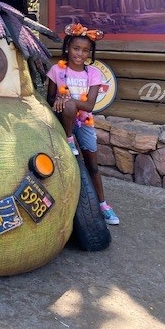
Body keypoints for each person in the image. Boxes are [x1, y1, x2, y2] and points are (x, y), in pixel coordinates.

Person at [46, 22, 119, 225]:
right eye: (76, 48)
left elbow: (89, 105)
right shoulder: (56, 70)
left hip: (85, 122)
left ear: (90, 53)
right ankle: (68, 139)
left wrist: (67, 99)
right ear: (67, 47)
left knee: (93, 165)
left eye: (85, 50)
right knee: (67, 107)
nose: (80, 53)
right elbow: (50, 98)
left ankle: (103, 205)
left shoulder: (93, 74)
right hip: (63, 120)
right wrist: (60, 102)